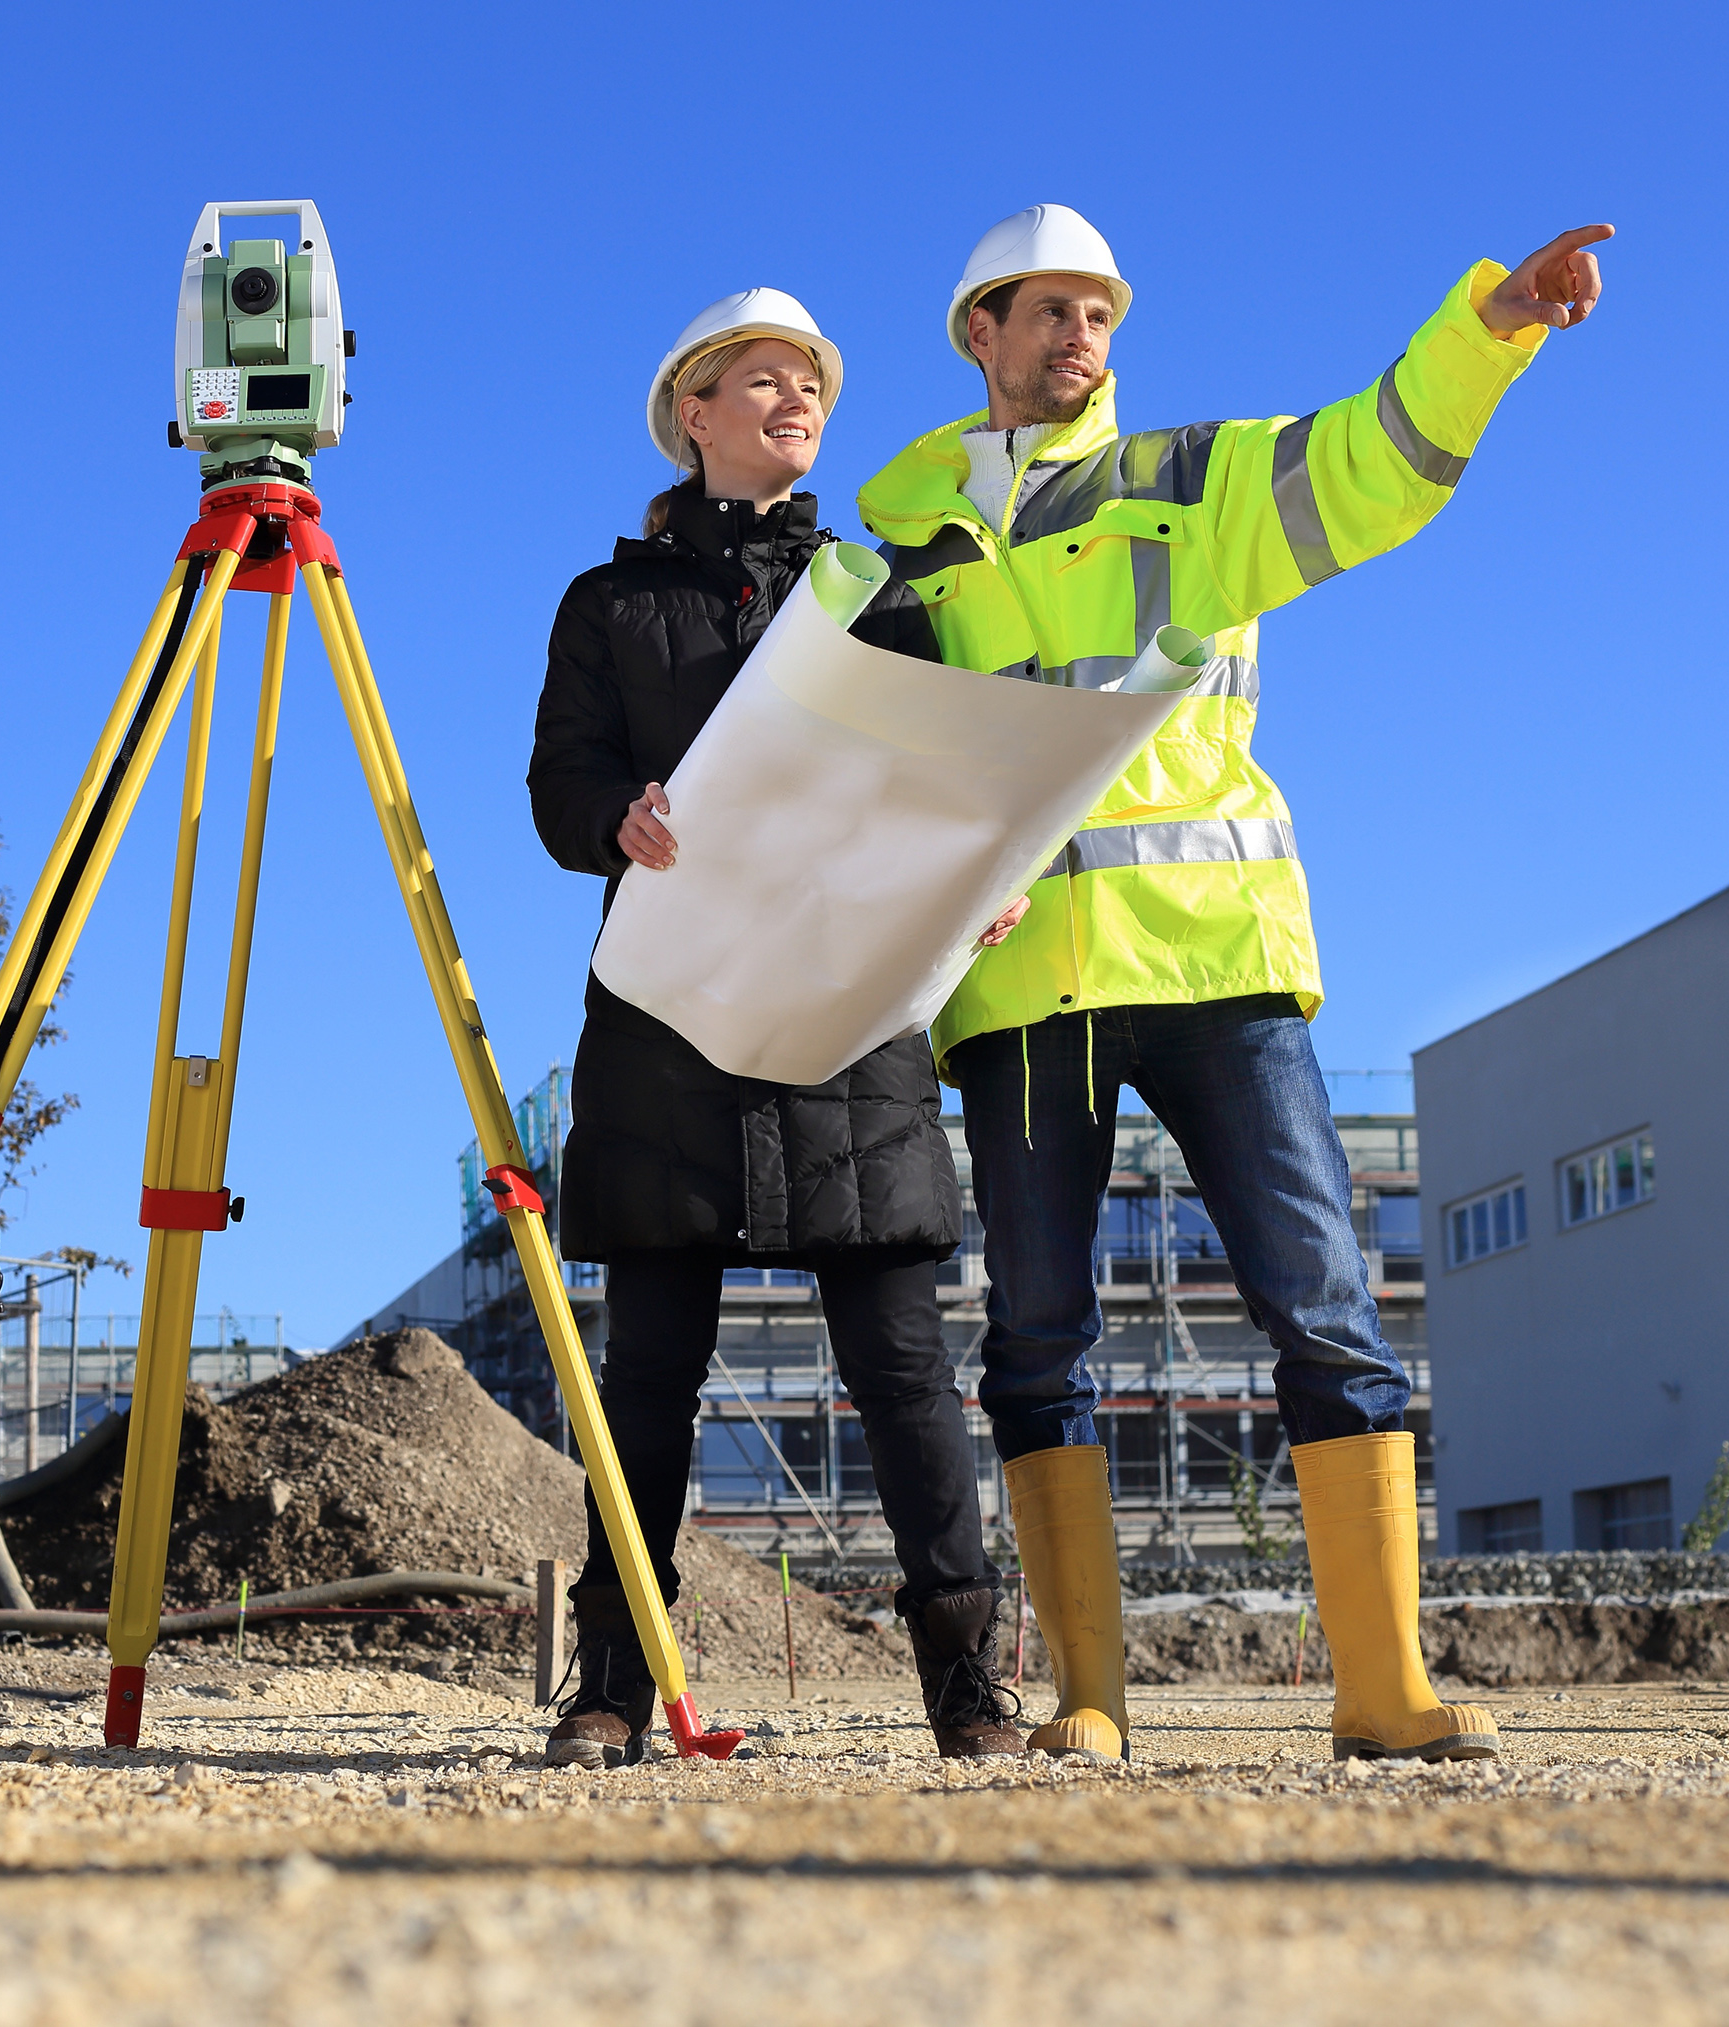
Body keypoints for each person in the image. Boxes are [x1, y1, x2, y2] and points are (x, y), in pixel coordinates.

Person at [857, 206, 1611, 1763]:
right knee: (1037, 1341)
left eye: (1101, 314)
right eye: (1049, 311)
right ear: (978, 335)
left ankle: (1381, 1689)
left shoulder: (1195, 484)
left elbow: (1370, 462)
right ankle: (1087, 1700)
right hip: (1018, 995)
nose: (1082, 338)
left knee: (1323, 1310)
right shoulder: (904, 545)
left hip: (1215, 958)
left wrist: (1491, 330)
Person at [527, 289, 1027, 1767]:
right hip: (672, 1010)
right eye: (760, 380)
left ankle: (969, 1695)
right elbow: (559, 789)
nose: (792, 400)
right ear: (694, 411)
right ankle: (613, 1686)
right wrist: (614, 817)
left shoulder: (873, 590)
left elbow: (949, 773)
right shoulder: (608, 607)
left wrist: (977, 884)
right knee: (649, 1382)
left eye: (806, 382)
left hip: (846, 1012)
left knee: (902, 1369)